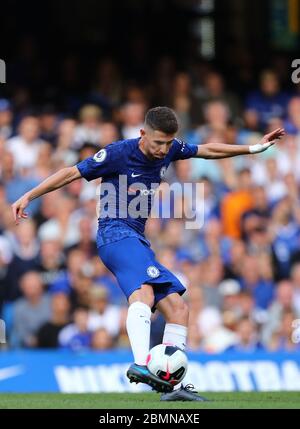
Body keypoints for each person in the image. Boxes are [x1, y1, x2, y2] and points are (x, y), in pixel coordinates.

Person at [11, 106, 285, 401]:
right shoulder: (118, 152)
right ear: (143, 134)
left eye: (168, 143)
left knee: (178, 309)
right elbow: (71, 173)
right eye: (157, 142)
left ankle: (172, 386)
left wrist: (253, 148)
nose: (163, 149)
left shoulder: (169, 149)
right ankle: (141, 364)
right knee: (143, 295)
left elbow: (206, 150)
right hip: (114, 234)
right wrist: (29, 195)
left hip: (137, 240)